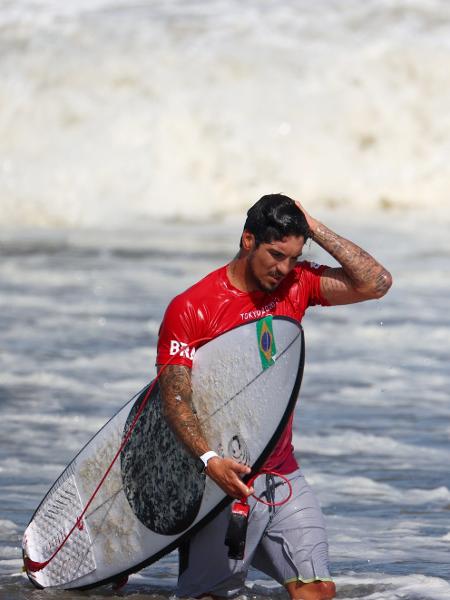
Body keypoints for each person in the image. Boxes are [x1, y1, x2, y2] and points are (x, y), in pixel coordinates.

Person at [156, 194, 392, 600]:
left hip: (280, 471)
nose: (284, 268)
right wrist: (209, 461)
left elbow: (376, 283)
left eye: (294, 256)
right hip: (219, 481)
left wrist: (312, 225)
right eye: (276, 254)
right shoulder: (192, 307)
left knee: (317, 591)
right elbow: (175, 398)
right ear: (248, 240)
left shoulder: (296, 285)